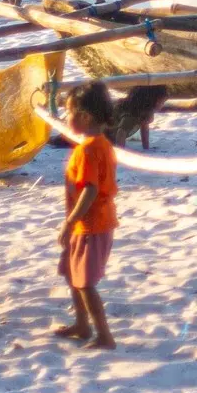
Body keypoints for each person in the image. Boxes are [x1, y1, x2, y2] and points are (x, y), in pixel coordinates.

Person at [55, 83, 121, 349]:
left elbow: (90, 190)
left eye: (69, 112)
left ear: (85, 116)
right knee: (73, 273)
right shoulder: (101, 144)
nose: (66, 118)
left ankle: (104, 335)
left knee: (84, 282)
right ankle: (82, 325)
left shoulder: (88, 150)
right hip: (93, 223)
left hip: (90, 225)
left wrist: (70, 222)